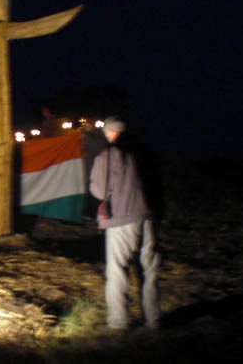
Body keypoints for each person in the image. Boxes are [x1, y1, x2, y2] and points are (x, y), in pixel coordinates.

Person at [89, 116, 161, 330]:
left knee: (117, 270)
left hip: (121, 218)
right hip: (147, 217)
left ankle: (118, 322)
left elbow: (98, 191)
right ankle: (154, 319)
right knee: (149, 269)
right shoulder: (144, 152)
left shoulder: (108, 156)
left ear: (111, 133)